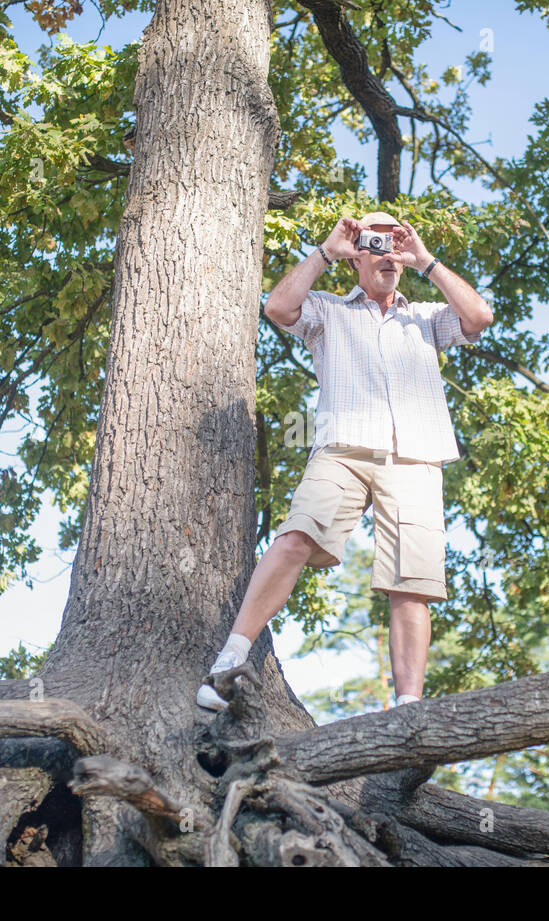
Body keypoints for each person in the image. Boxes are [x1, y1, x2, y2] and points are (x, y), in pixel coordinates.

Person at [196, 211, 493, 712]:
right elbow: (278, 307)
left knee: (412, 582)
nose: (387, 251)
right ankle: (230, 659)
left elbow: (479, 318)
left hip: (416, 454)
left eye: (394, 240)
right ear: (357, 251)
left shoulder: (424, 317)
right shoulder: (329, 310)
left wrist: (425, 260)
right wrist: (327, 250)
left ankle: (408, 708)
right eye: (374, 240)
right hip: (343, 448)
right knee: (296, 537)